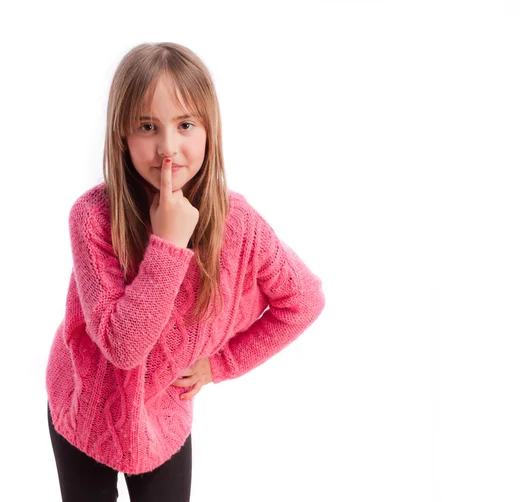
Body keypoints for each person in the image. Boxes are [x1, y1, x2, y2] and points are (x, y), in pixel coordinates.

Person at [45, 41, 326, 502]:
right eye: (148, 127)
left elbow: (303, 301)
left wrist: (222, 364)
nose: (168, 148)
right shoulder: (92, 217)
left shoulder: (240, 225)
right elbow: (121, 345)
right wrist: (168, 245)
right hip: (85, 402)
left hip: (164, 413)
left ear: (209, 131)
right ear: (122, 135)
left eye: (185, 124)